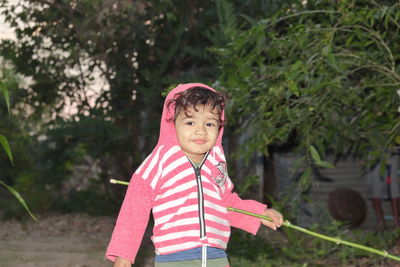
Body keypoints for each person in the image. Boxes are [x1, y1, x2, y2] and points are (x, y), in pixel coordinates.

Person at [106, 83, 283, 267]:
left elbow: (227, 203)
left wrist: (259, 213)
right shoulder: (160, 161)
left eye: (209, 123)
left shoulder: (216, 163)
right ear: (172, 124)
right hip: (175, 258)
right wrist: (124, 254)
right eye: (190, 122)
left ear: (219, 127)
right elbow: (134, 208)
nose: (201, 130)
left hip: (216, 256)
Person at [367, 146, 400, 230]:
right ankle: (380, 222)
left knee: (393, 186)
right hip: (374, 152)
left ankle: (396, 222)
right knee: (374, 185)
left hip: (392, 152)